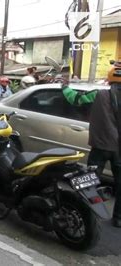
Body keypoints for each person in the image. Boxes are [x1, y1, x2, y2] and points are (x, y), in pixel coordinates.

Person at [61, 62, 121, 228]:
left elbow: (75, 99)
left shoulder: (98, 95)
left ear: (109, 80)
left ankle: (86, 213)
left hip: (101, 146)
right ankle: (118, 218)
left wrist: (65, 87)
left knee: (88, 181)